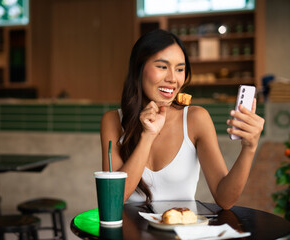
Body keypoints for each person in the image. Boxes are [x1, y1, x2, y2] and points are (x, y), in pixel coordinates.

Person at [100, 29, 264, 210]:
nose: (172, 78)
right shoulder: (113, 121)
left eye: (179, 69)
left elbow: (225, 199)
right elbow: (112, 199)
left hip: (181, 234)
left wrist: (249, 148)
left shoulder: (196, 119)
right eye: (162, 67)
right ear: (139, 69)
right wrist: (148, 136)